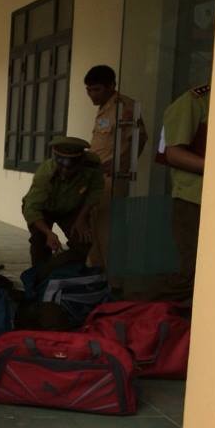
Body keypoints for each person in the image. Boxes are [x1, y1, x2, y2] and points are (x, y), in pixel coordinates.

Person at [84, 65, 147, 272]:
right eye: (89, 90)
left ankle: (113, 277)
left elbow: (139, 138)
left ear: (111, 86)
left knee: (108, 230)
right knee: (95, 228)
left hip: (112, 179)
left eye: (97, 89)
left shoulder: (124, 107)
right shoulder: (105, 107)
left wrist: (121, 164)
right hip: (97, 178)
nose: (92, 94)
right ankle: (96, 274)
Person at [157, 84, 209, 301]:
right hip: (193, 198)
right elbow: (174, 154)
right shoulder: (195, 101)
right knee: (190, 271)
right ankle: (153, 313)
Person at [21, 136, 104, 267]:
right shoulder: (45, 173)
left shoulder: (92, 165)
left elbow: (95, 191)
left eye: (70, 167)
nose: (65, 171)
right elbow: (32, 208)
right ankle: (40, 275)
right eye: (61, 166)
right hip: (43, 210)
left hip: (71, 209)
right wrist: (48, 233)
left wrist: (81, 219)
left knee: (83, 243)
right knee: (40, 243)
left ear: (81, 161)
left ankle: (60, 271)